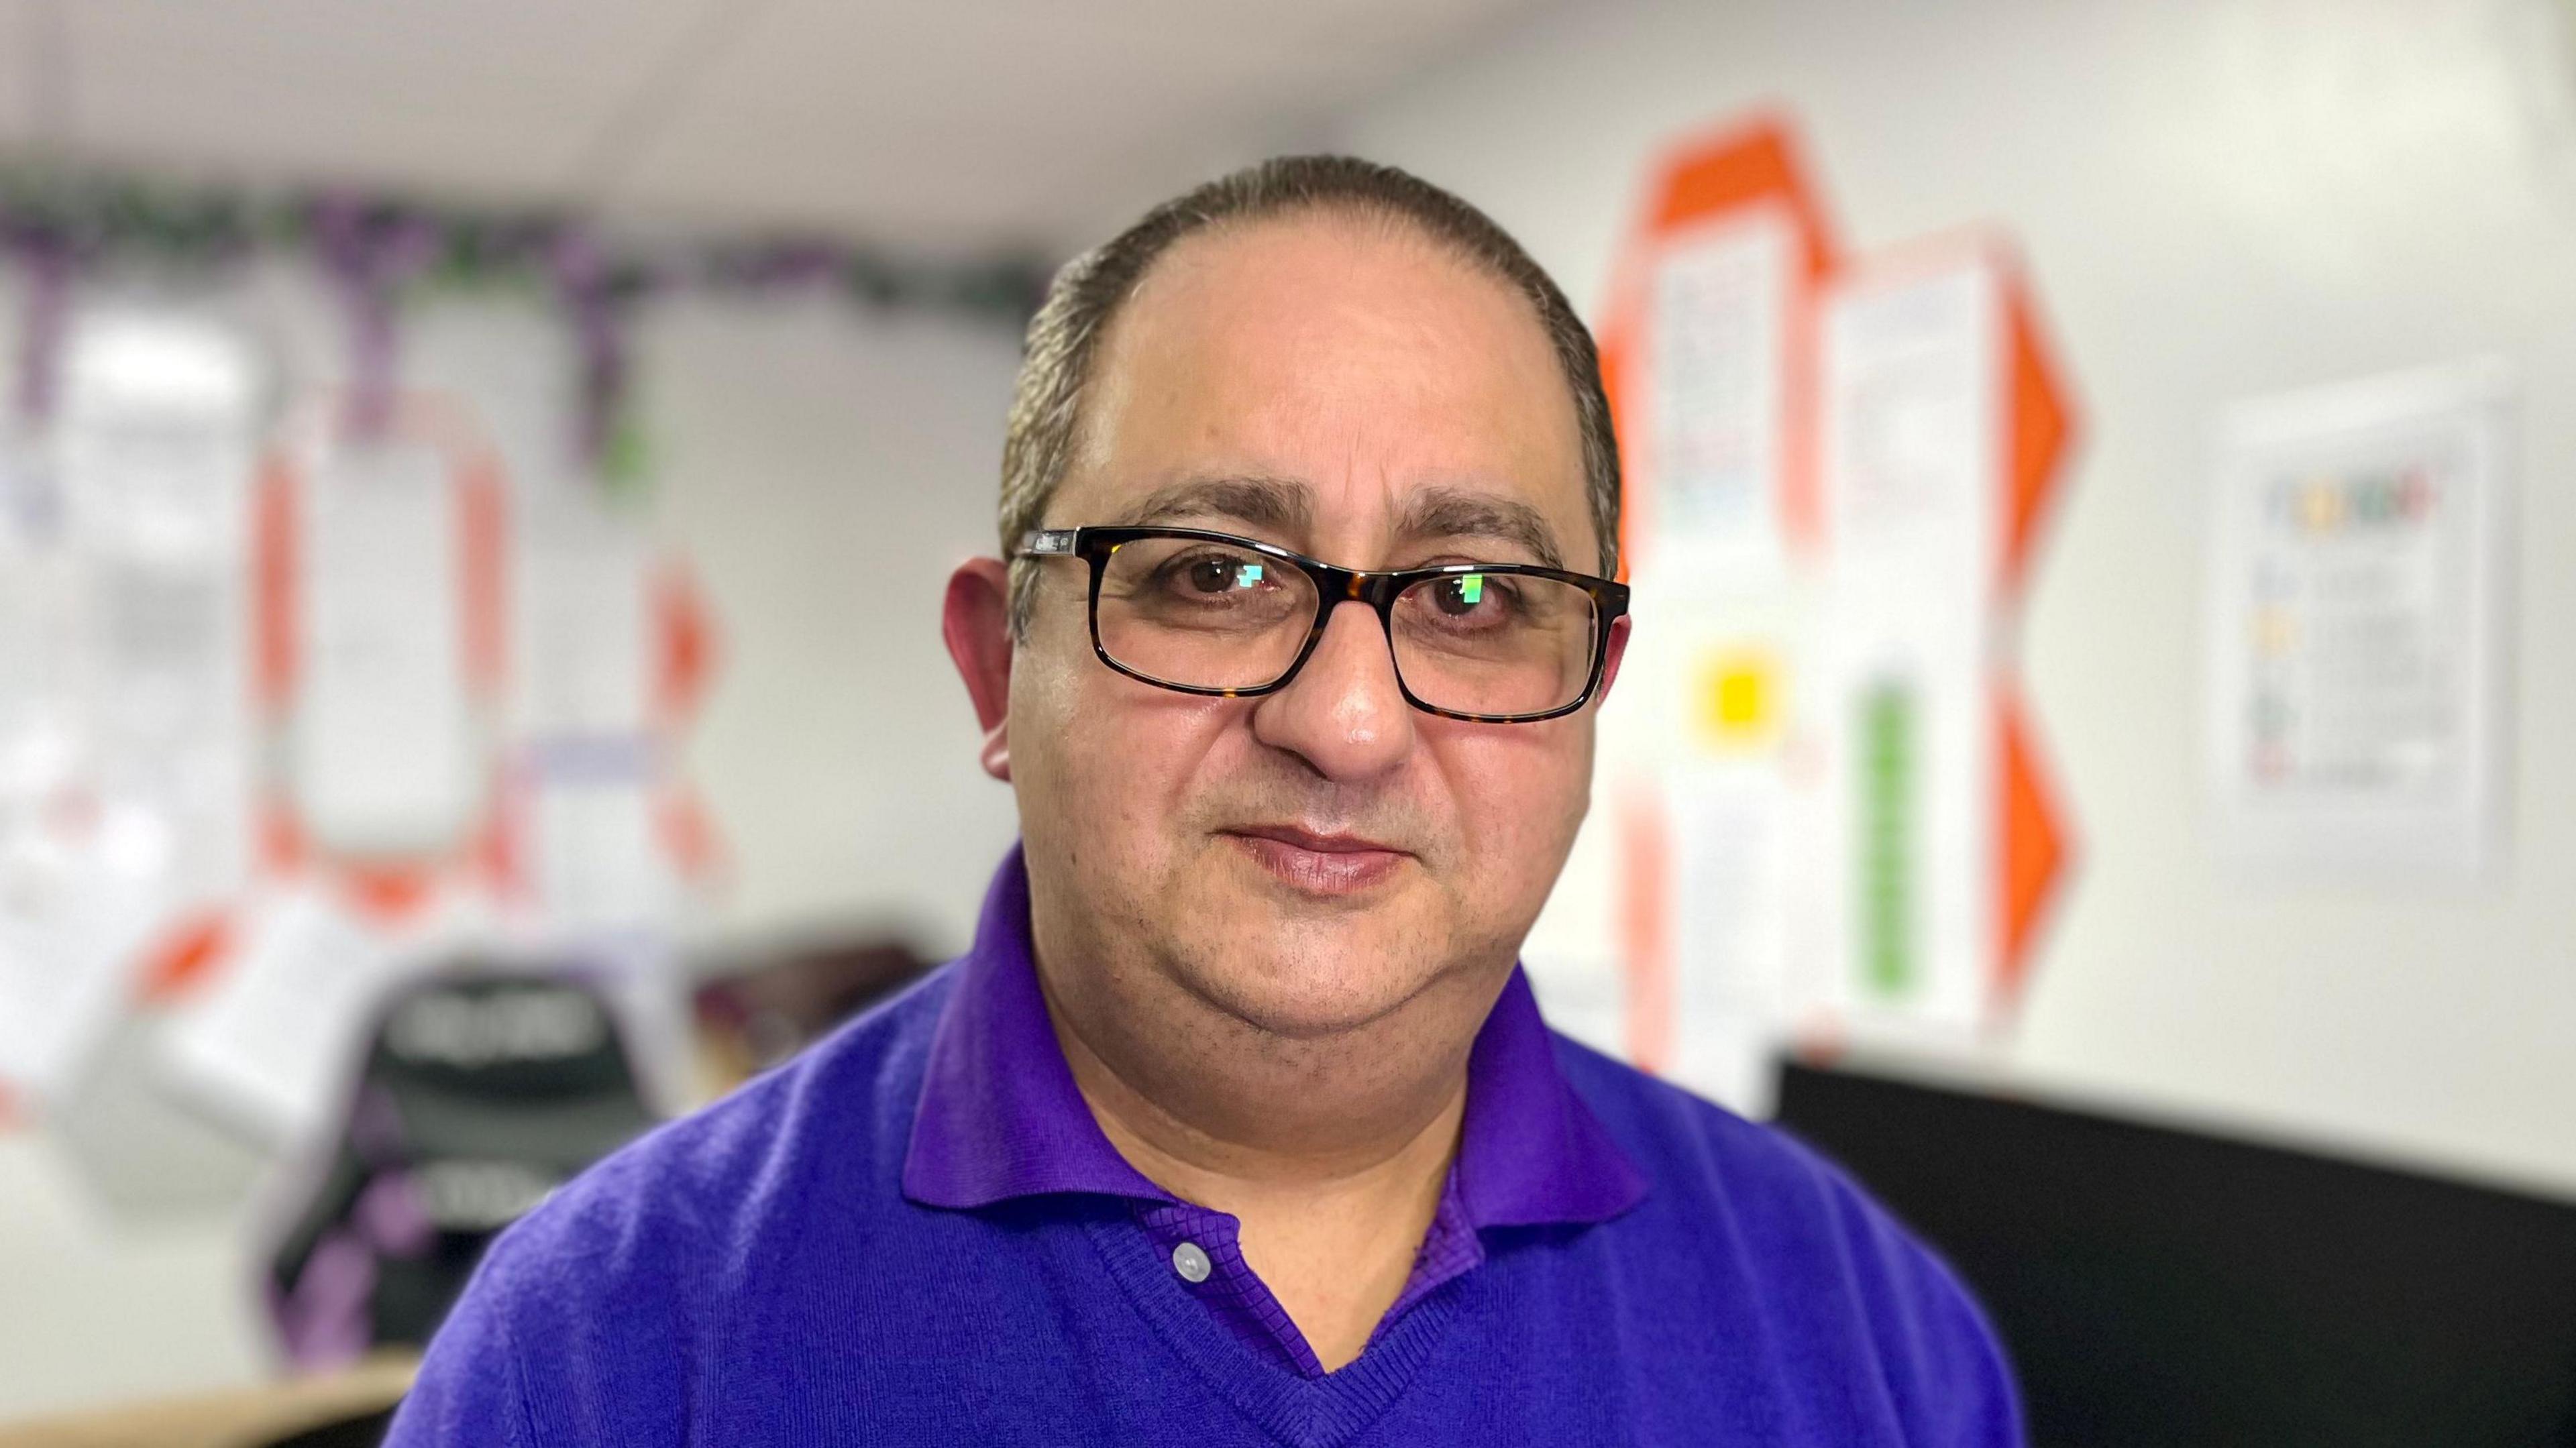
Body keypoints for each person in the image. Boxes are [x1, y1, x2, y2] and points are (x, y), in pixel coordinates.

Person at [388, 156, 2021, 1447]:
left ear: (1589, 684)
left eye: (1472, 597)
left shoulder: (1868, 1337)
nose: (1349, 721)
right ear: (993, 673)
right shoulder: (603, 1353)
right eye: (1212, 574)